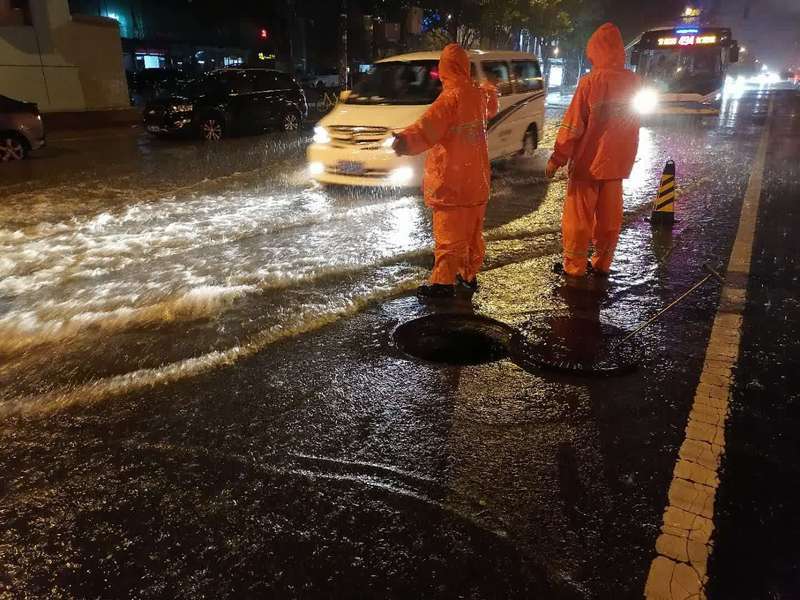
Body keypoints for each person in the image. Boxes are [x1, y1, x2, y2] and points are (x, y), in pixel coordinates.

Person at [393, 44, 491, 299]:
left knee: (449, 235)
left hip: (452, 181)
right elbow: (491, 105)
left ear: (446, 68)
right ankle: (468, 276)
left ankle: (443, 283)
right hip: (477, 181)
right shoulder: (477, 95)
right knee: (471, 235)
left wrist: (403, 141)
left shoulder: (450, 99)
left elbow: (426, 129)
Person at [546, 22, 641, 278]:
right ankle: (601, 263)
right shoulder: (633, 83)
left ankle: (574, 267)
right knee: (610, 221)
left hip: (588, 165)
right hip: (617, 165)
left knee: (578, 220)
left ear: (595, 51)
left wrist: (557, 158)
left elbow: (573, 126)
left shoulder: (590, 82)